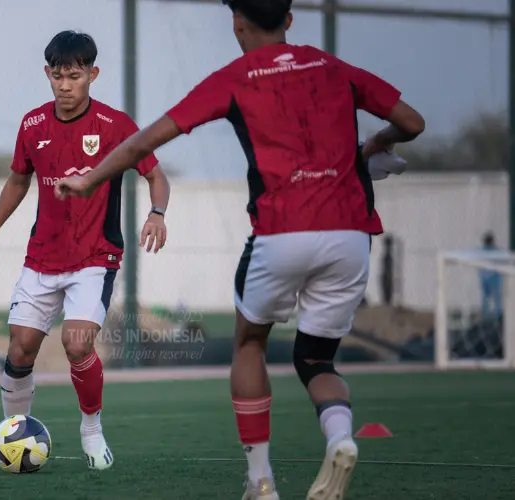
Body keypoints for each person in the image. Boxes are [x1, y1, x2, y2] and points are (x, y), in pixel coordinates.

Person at [54, 1, 425, 498]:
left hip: (280, 233)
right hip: (351, 236)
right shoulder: (334, 67)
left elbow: (147, 140)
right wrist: (376, 144)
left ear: (237, 22)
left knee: (249, 342)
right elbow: (413, 122)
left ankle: (260, 480)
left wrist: (90, 179)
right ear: (289, 20)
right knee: (316, 361)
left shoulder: (234, 77)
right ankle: (340, 437)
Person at [0, 30, 171, 471]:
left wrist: (157, 212)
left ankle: (91, 429)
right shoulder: (32, 125)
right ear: (47, 74)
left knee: (77, 343)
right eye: (57, 76)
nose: (64, 85)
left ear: (92, 74)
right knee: (20, 349)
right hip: (42, 257)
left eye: (74, 76)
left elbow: (156, 174)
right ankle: (14, 440)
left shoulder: (116, 126)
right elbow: (18, 182)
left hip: (95, 257)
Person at [479, 231, 503, 320]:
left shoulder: (496, 251)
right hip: (487, 278)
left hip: (493, 277)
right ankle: (488, 317)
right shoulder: (482, 251)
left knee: (495, 297)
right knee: (487, 298)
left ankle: (497, 315)